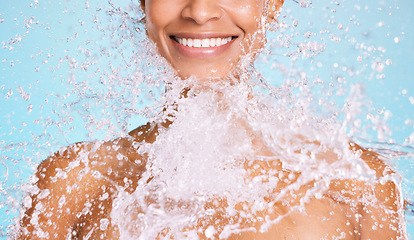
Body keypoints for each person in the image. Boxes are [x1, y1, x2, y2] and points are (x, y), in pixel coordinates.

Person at [17, 0, 406, 239]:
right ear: (143, 2)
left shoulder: (359, 185)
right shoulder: (71, 182)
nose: (200, 12)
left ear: (273, 3)